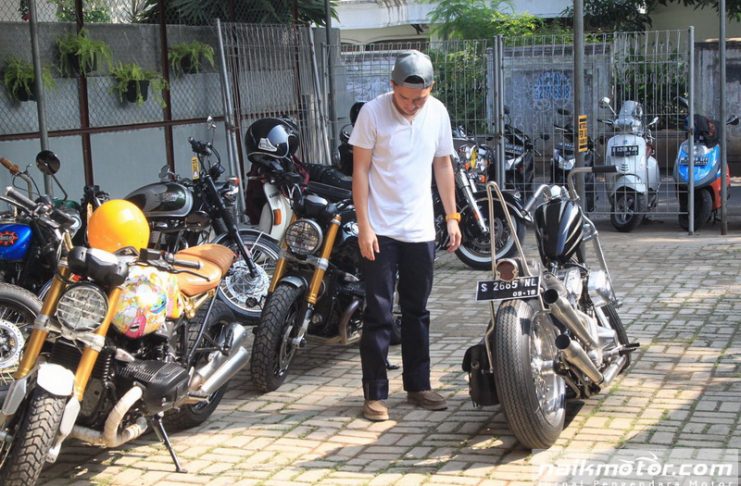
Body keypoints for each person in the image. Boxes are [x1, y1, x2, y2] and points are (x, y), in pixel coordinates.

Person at [349, 50, 461, 422]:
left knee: (417, 311)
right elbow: (360, 171)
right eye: (405, 98)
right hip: (380, 230)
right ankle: (375, 394)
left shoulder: (438, 112)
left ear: (431, 89)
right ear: (392, 86)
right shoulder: (372, 113)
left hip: (420, 230)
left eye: (420, 99)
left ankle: (418, 386)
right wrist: (364, 226)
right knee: (379, 312)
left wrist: (452, 217)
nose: (412, 105)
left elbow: (442, 164)